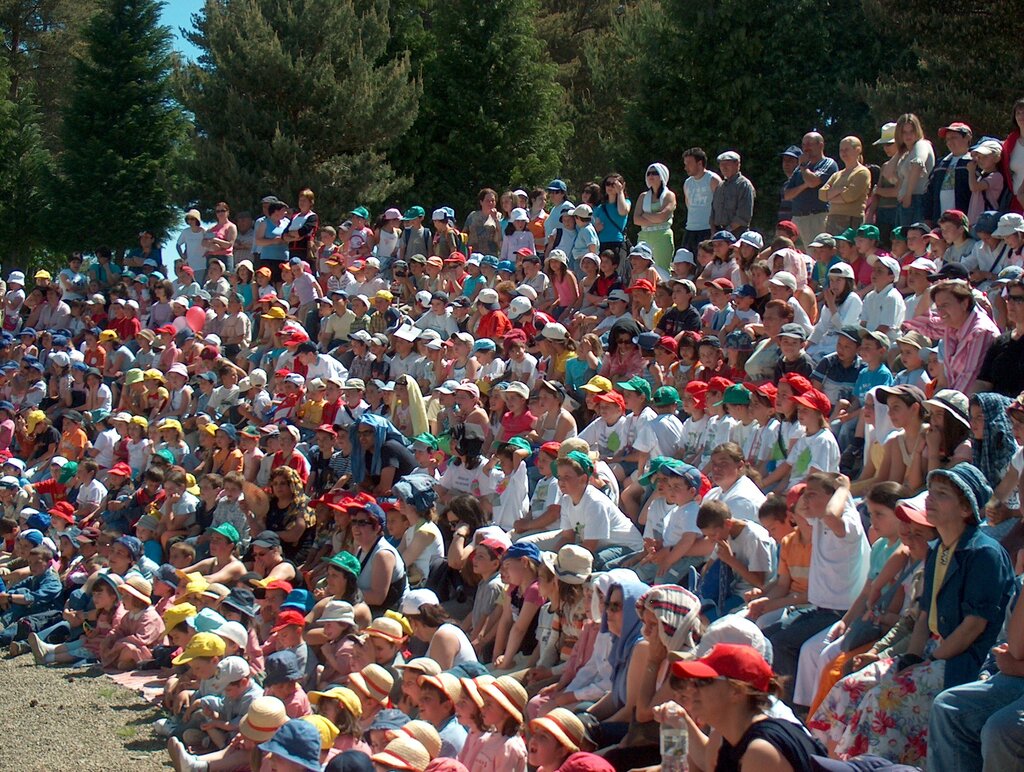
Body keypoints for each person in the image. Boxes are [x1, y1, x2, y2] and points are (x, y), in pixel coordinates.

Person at [670, 643, 826, 771]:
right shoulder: (726, 739)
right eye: (692, 682)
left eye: (702, 682)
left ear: (737, 691)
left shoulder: (761, 753)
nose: (691, 689)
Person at [783, 131, 838, 239]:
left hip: (817, 218)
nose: (806, 148)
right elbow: (787, 195)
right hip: (797, 219)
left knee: (816, 254)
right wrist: (804, 185)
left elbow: (813, 182)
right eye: (803, 145)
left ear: (820, 145)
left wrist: (804, 166)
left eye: (809, 144)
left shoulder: (828, 163)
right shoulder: (800, 169)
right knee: (795, 254)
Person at [633, 163, 676, 270]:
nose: (651, 176)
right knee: (641, 267)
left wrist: (645, 215)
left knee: (662, 268)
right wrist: (656, 218)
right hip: (644, 235)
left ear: (662, 175)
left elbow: (663, 217)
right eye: (649, 173)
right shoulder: (643, 196)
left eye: (655, 173)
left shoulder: (669, 195)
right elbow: (636, 220)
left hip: (662, 234)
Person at [711, 151, 756, 235]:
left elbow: (743, 215)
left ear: (737, 165)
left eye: (727, 164)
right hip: (719, 233)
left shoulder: (744, 185)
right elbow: (713, 211)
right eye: (721, 165)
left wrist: (726, 232)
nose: (724, 168)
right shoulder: (720, 186)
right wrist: (714, 232)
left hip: (737, 233)